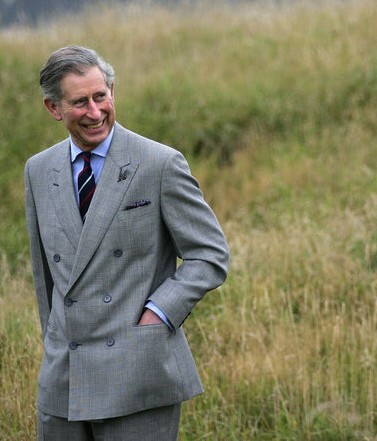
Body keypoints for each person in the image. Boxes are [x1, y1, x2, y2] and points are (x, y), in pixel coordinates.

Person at [24, 45, 229, 440]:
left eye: (101, 96)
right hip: (63, 378)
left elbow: (210, 255)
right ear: (53, 108)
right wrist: (55, 341)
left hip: (137, 372)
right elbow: (45, 275)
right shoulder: (39, 170)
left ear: (113, 91)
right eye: (79, 102)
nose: (95, 112)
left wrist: (159, 313)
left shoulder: (159, 163)